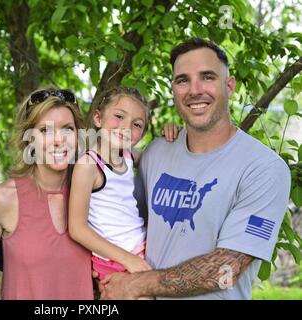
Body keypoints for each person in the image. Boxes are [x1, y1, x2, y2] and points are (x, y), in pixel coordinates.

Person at [100, 38, 291, 300]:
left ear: (229, 85)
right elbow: (121, 221)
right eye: (182, 80)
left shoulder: (264, 169)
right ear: (174, 89)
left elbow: (225, 270)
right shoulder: (156, 152)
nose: (195, 90)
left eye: (207, 77)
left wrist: (136, 285)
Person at [0, 88, 94, 300]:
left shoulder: (96, 194)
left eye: (67, 129)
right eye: (45, 130)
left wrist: (173, 138)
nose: (58, 140)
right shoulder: (4, 199)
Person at [68, 87, 174, 283]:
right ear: (98, 119)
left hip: (141, 248)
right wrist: (128, 260)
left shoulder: (128, 156)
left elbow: (161, 156)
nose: (126, 127)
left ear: (141, 135)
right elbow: (77, 228)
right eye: (119, 116)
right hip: (114, 260)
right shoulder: (89, 165)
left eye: (136, 124)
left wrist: (173, 134)